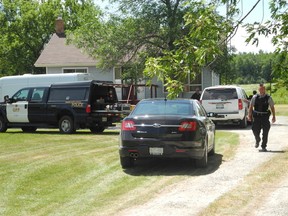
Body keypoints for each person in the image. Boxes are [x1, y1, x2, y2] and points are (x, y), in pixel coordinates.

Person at [247, 84, 276, 152]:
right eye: (260, 89)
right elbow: (251, 107)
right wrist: (249, 115)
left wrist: (274, 116)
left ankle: (263, 146)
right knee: (254, 129)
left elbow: (272, 107)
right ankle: (257, 139)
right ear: (258, 89)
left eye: (263, 89)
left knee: (265, 132)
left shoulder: (269, 97)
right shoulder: (254, 97)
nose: (261, 90)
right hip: (257, 116)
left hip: (265, 117)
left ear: (265, 89)